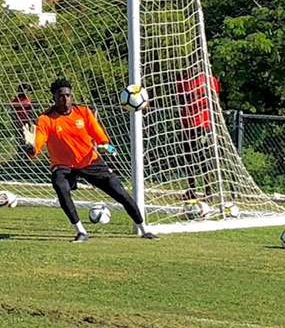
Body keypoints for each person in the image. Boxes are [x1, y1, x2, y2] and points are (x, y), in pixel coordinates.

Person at [23, 77, 157, 241]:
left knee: (120, 192)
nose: (65, 99)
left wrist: (105, 144)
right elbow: (37, 145)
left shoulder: (83, 112)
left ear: (71, 96)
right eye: (60, 96)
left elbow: (99, 134)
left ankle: (145, 230)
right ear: (54, 98)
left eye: (67, 95)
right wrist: (30, 147)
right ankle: (81, 231)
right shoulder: (46, 119)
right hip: (63, 165)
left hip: (89, 161)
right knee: (60, 186)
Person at [177, 63, 220, 201]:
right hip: (188, 125)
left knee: (205, 159)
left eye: (197, 66)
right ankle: (191, 189)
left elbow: (215, 100)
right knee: (188, 159)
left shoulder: (209, 79)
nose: (194, 68)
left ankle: (209, 192)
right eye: (191, 65)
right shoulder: (183, 81)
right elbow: (181, 101)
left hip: (204, 124)